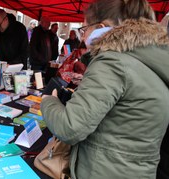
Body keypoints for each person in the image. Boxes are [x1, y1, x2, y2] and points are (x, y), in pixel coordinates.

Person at [41, 0, 169, 178]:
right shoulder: (147, 59)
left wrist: (49, 102)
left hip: (103, 170)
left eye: (83, 30)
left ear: (101, 27)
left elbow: (70, 128)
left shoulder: (112, 61)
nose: (82, 37)